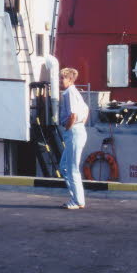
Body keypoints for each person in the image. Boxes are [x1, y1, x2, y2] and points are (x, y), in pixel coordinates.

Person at [58, 67, 89, 209]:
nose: (60, 81)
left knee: (71, 168)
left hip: (73, 131)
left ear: (70, 79)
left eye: (62, 78)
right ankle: (76, 197)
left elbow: (73, 115)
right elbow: (87, 109)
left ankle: (77, 201)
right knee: (64, 166)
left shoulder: (69, 92)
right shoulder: (75, 92)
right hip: (78, 130)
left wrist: (68, 128)